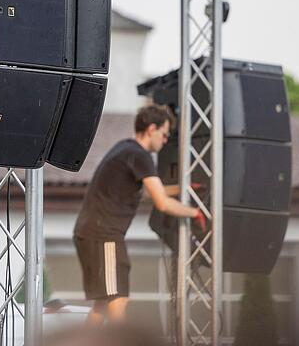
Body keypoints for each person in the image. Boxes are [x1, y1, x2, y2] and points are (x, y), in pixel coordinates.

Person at [73, 104, 206, 325]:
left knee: (104, 303)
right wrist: (195, 212)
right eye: (164, 134)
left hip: (94, 233)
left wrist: (185, 188)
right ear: (152, 129)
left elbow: (146, 191)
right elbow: (162, 202)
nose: (165, 141)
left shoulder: (125, 150)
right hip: (103, 235)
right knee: (118, 300)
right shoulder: (139, 155)